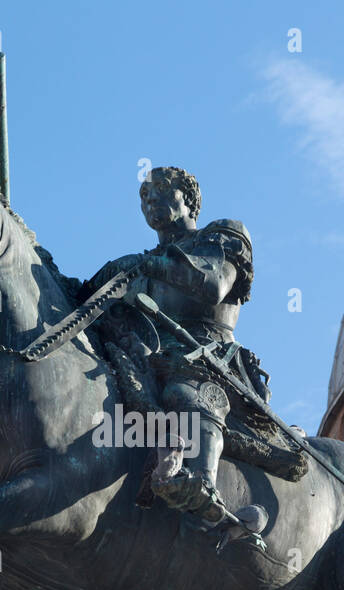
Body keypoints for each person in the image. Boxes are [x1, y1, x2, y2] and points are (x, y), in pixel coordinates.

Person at [81, 166, 258, 525]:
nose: (150, 201)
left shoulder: (222, 236)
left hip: (206, 352)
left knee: (183, 391)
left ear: (189, 199)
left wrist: (146, 265)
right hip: (150, 352)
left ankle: (203, 485)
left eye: (161, 190)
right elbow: (81, 302)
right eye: (144, 197)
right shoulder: (135, 264)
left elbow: (211, 285)